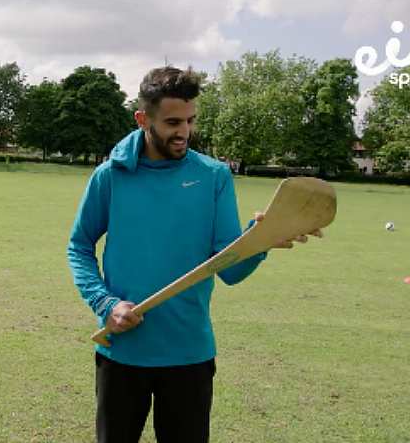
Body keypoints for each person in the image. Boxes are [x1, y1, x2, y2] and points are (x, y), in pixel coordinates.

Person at [67, 66, 321, 443]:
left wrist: (262, 240)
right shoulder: (111, 176)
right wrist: (106, 304)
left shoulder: (213, 176)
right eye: (172, 122)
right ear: (143, 118)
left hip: (189, 356)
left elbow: (229, 269)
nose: (184, 131)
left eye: (190, 120)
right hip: (122, 355)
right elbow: (79, 246)